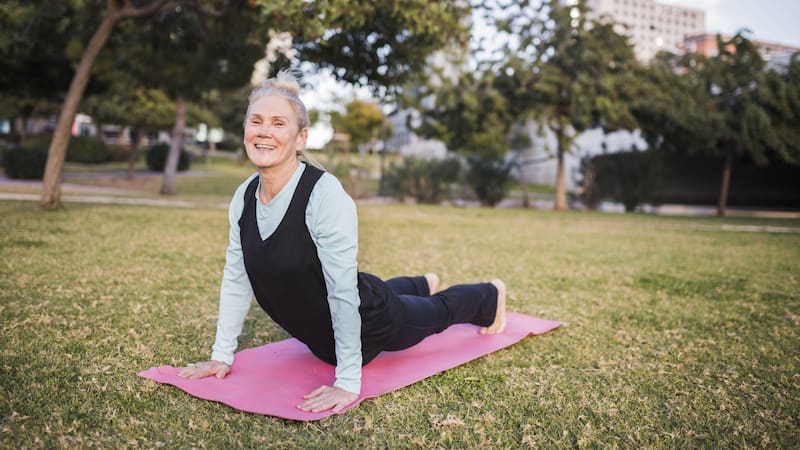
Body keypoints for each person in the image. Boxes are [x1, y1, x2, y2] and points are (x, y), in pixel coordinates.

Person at [177, 70, 507, 413]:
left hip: (370, 325)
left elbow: (342, 290)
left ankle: (489, 295)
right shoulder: (244, 195)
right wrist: (220, 356)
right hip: (322, 340)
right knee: (373, 288)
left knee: (436, 313)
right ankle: (422, 282)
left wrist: (348, 381)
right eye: (256, 121)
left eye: (278, 123)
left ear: (300, 137)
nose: (264, 132)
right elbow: (236, 276)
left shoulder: (324, 195)